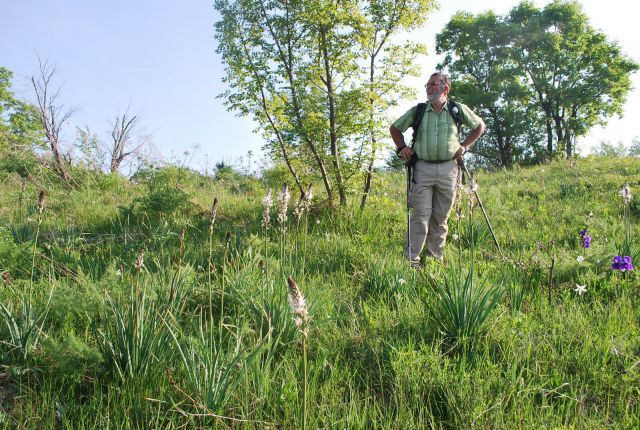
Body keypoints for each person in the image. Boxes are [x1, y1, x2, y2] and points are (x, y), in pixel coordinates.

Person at [390, 72, 485, 267]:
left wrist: (464, 147)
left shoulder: (456, 109)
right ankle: (412, 262)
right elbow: (395, 128)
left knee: (440, 219)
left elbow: (479, 126)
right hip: (422, 169)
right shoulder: (418, 111)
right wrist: (402, 148)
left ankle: (434, 262)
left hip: (449, 169)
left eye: (433, 84)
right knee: (420, 216)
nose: (429, 88)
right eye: (427, 85)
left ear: (445, 88)